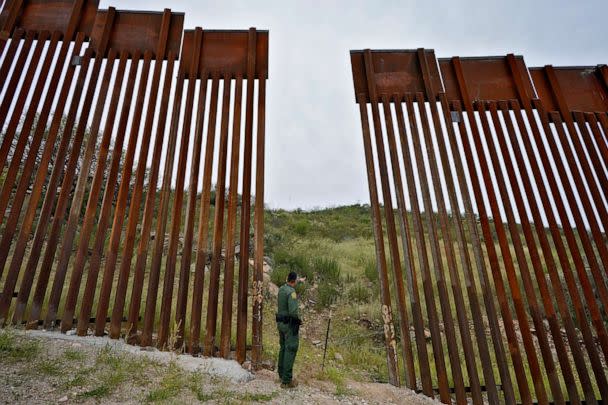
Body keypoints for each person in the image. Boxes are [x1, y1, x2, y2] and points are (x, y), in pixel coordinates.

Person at [276, 271, 302, 388]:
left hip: (281, 323)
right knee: (290, 349)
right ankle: (286, 381)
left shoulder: (282, 289)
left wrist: (299, 280)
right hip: (289, 326)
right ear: (294, 281)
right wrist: (298, 320)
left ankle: (281, 374)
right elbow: (293, 312)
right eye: (297, 280)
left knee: (283, 348)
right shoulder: (292, 293)